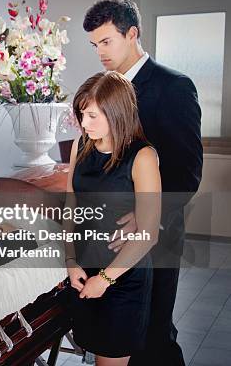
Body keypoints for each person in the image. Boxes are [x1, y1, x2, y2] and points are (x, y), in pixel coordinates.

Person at [83, 0, 203, 366]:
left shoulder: (174, 87)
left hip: (157, 236)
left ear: (132, 34)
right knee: (120, 340)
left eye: (107, 42)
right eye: (94, 45)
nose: (100, 52)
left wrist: (145, 214)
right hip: (108, 240)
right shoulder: (102, 91)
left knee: (155, 338)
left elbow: (187, 171)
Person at [65, 71, 161, 366]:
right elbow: (71, 203)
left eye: (93, 115)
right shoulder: (80, 145)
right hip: (83, 271)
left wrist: (105, 279)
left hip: (123, 279)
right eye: (82, 114)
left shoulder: (142, 157)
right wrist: (70, 261)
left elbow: (148, 233)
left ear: (116, 113)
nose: (84, 123)